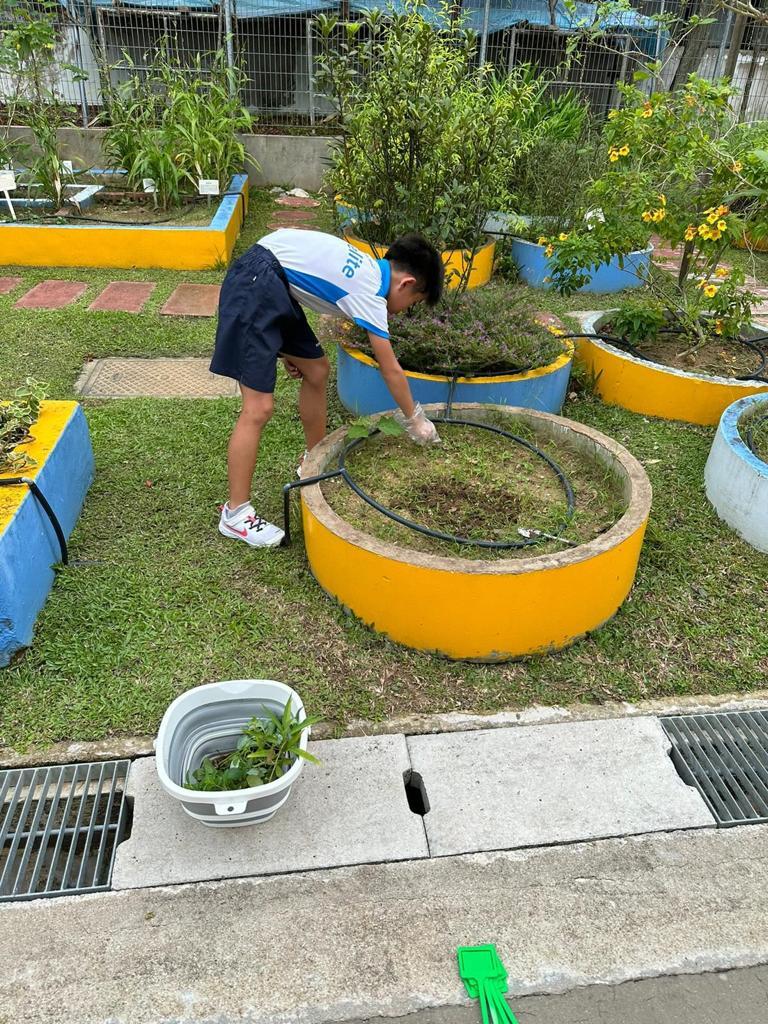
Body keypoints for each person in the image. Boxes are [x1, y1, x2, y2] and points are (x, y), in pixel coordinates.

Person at [210, 227, 444, 548]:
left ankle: (314, 461)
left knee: (317, 370)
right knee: (258, 407)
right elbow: (390, 369)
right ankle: (236, 514)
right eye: (413, 302)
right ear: (407, 283)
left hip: (273, 282)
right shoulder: (370, 293)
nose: (405, 310)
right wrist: (415, 419)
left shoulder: (368, 268)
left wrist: (282, 347)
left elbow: (294, 270)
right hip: (256, 283)